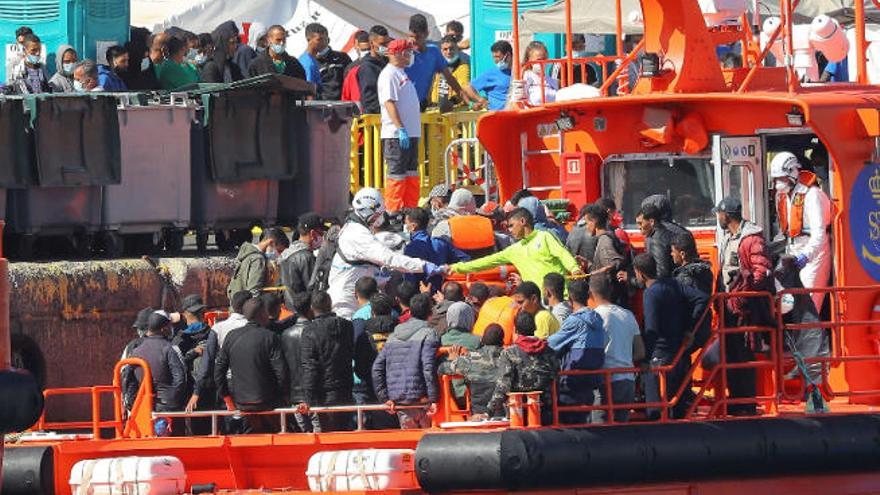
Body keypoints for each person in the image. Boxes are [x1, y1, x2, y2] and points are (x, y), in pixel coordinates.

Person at [328, 188, 438, 318]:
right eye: (378, 214)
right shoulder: (357, 234)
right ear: (369, 211)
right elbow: (388, 258)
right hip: (346, 300)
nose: (379, 218)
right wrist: (423, 266)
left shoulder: (355, 228)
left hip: (353, 295)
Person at [716, 196, 773, 416]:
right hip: (729, 304)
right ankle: (737, 399)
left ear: (727, 215)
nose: (718, 217)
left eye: (719, 214)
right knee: (731, 353)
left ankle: (746, 402)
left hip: (742, 307)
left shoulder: (751, 239)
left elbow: (761, 270)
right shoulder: (731, 237)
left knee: (743, 354)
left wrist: (743, 296)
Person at [635, 253, 707, 419]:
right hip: (680, 354)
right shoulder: (673, 284)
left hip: (659, 358)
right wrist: (690, 328)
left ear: (640, 273)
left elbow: (651, 330)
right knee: (679, 410)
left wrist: (644, 359)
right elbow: (701, 298)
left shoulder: (650, 294)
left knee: (655, 411)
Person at [449, 207, 582, 294]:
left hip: (560, 299)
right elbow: (485, 262)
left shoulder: (544, 237)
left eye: (511, 226)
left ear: (522, 221)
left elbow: (562, 254)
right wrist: (456, 268)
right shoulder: (514, 250)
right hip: (536, 303)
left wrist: (574, 268)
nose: (509, 230)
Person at [770, 151, 832, 313]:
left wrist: (806, 256)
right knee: (785, 306)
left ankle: (812, 338)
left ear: (793, 173)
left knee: (809, 306)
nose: (778, 183)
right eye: (776, 179)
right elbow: (784, 232)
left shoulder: (812, 196)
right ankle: (793, 338)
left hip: (815, 256)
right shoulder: (782, 197)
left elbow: (819, 235)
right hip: (793, 253)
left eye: (781, 178)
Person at [215, 297, 287, 434]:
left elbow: (218, 371)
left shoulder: (231, 336)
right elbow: (282, 373)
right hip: (268, 401)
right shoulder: (270, 337)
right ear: (262, 314)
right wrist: (283, 396)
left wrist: (227, 398)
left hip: (241, 403)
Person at [372, 293, 441, 429]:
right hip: (421, 400)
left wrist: (385, 398)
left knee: (410, 447)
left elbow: (377, 368)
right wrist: (434, 398)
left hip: (399, 401)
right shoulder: (428, 333)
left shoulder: (393, 336)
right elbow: (428, 367)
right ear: (430, 312)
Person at [547, 279, 605, 424]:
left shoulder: (574, 321)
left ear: (570, 298)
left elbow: (552, 344)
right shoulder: (597, 319)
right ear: (588, 296)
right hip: (591, 379)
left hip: (572, 380)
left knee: (568, 422)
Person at [298, 292, 355, 432]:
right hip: (346, 387)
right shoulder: (347, 326)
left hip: (324, 393)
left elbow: (310, 367)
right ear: (330, 305)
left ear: (312, 307)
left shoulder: (310, 331)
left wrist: (308, 399)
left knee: (329, 435)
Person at [487, 312, 560, 423]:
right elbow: (556, 377)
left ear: (516, 330)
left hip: (518, 413)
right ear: (535, 328)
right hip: (546, 410)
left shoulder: (509, 353)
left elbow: (503, 385)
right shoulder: (549, 351)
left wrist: (489, 411)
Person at [591, 276, 644, 423]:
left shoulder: (595, 316)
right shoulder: (628, 315)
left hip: (606, 382)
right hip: (628, 380)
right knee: (622, 433)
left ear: (591, 293)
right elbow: (640, 352)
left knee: (600, 433)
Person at [379, 39, 423, 213]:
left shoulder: (401, 73)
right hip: (396, 135)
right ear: (398, 54)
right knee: (396, 176)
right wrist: (400, 128)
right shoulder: (389, 74)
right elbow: (389, 103)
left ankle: (410, 211)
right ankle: (394, 214)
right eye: (408, 52)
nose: (410, 56)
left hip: (410, 134)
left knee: (411, 174)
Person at [406, 14, 474, 109]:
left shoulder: (434, 52)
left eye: (417, 37)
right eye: (411, 36)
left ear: (426, 34)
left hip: (420, 106)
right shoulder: (402, 51)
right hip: (401, 104)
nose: (413, 41)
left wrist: (468, 102)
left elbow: (450, 79)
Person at [439, 325, 504, 416]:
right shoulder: (510, 358)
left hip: (479, 415)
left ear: (483, 339)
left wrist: (454, 360)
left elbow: (442, 369)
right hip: (507, 414)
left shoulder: (471, 358)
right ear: (502, 341)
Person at [131, 311, 187, 414]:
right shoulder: (169, 348)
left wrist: (132, 402)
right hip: (167, 406)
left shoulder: (136, 351)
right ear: (164, 329)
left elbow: (129, 379)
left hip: (143, 404)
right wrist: (173, 399)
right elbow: (180, 379)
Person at [279, 292, 319, 432]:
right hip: (315, 396)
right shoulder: (317, 331)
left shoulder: (285, 334)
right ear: (311, 308)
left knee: (302, 435)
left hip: (294, 396)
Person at [404, 207, 469, 293]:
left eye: (406, 223)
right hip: (442, 292)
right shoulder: (441, 242)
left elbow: (409, 282)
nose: (405, 226)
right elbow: (465, 259)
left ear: (413, 226)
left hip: (421, 296)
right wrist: (448, 272)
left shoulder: (410, 248)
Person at [227, 228, 288, 301]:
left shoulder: (247, 254)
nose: (279, 255)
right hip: (249, 309)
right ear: (271, 243)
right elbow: (254, 292)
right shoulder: (258, 260)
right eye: (279, 251)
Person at [584, 203, 627, 305]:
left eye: (587, 222)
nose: (586, 226)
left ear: (594, 222)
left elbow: (614, 263)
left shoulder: (605, 240)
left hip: (609, 299)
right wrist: (589, 265)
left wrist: (604, 269)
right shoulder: (607, 237)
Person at [279, 212, 324, 309]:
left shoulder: (284, 254)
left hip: (287, 310)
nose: (322, 237)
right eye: (321, 233)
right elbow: (312, 289)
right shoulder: (306, 257)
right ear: (312, 233)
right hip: (303, 311)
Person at [623, 204, 675, 282]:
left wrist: (632, 279)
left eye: (640, 223)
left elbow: (661, 274)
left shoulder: (656, 241)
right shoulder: (665, 233)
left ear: (651, 222)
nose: (638, 227)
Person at [462, 40, 512, 111]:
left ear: (508, 55)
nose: (495, 60)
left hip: (515, 115)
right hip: (497, 116)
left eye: (497, 57)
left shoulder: (518, 71)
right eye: (494, 57)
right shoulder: (491, 73)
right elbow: (468, 88)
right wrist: (481, 100)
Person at [431, 35, 470, 112]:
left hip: (454, 110)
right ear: (441, 51)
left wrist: (452, 101)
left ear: (457, 49)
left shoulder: (463, 67)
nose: (448, 52)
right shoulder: (436, 66)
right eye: (445, 49)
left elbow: (464, 89)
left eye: (451, 48)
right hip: (435, 109)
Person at [358, 25, 391, 114]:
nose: (386, 47)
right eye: (382, 44)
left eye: (387, 43)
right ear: (372, 43)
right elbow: (369, 99)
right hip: (376, 118)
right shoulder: (367, 67)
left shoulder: (387, 61)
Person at [316, 31, 353, 100]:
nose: (319, 43)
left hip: (344, 102)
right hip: (323, 105)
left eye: (321, 39)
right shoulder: (312, 62)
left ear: (328, 40)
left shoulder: (342, 57)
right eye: (317, 40)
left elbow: (351, 79)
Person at [520, 41, 558, 106]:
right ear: (529, 59)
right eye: (538, 60)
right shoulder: (526, 76)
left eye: (544, 59)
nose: (542, 62)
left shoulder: (549, 79)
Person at [300, 23, 329, 94]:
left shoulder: (312, 60)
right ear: (308, 39)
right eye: (319, 39)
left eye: (326, 39)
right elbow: (309, 91)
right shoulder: (308, 63)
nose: (324, 43)